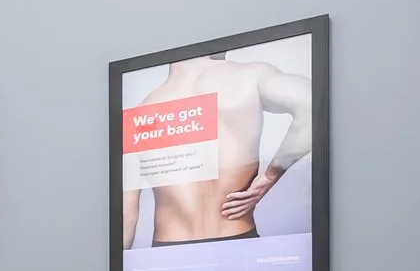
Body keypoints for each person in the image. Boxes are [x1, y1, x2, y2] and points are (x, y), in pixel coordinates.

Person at [122, 52, 313, 248]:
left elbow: (126, 219)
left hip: (169, 255)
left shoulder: (138, 115)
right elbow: (313, 103)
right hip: (238, 243)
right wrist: (271, 175)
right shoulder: (250, 77)